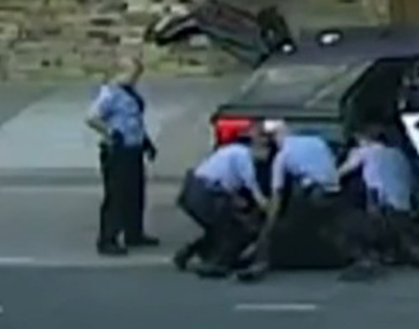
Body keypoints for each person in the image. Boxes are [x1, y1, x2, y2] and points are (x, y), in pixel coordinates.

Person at [251, 122, 364, 278]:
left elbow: (277, 194)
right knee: (332, 228)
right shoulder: (316, 142)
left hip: (314, 194)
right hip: (334, 191)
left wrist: (270, 222)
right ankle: (359, 258)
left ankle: (261, 261)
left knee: (283, 224)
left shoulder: (283, 156)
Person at [85, 53, 158, 257]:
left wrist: (146, 142)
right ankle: (107, 239)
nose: (136, 79)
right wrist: (110, 132)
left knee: (135, 193)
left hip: (133, 148)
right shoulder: (109, 94)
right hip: (117, 151)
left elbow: (134, 120)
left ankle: (134, 233)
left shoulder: (130, 92)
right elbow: (91, 117)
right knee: (117, 195)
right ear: (121, 73)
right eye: (133, 74)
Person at [175, 130, 274, 279]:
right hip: (205, 192)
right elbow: (253, 187)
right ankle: (218, 264)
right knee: (235, 229)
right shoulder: (244, 157)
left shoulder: (232, 151)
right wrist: (268, 210)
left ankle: (189, 252)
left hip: (192, 190)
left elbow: (227, 185)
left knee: (219, 228)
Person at [338, 123, 419, 273]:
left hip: (382, 204)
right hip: (404, 205)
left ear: (363, 139)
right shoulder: (398, 154)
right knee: (401, 229)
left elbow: (343, 172)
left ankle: (377, 251)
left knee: (357, 219)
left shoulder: (364, 152)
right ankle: (402, 251)